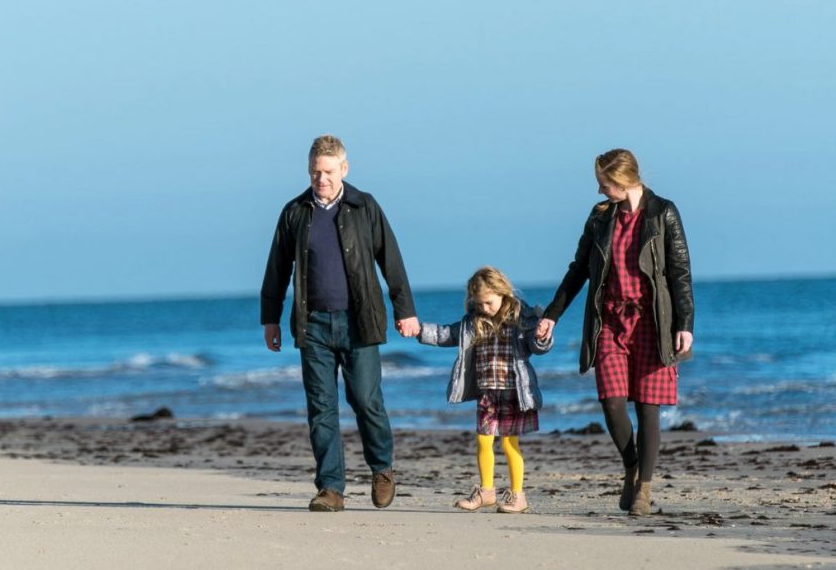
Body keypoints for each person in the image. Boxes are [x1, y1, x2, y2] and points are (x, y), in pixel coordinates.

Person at [260, 135, 420, 512]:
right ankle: (330, 488)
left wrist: (405, 310)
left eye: (329, 171)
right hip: (312, 324)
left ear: (344, 169)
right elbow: (277, 268)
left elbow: (391, 260)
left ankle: (382, 469)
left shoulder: (365, 206)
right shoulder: (295, 212)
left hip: (359, 321)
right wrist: (270, 319)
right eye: (316, 172)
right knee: (321, 408)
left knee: (366, 400)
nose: (322, 179)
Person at [537, 148, 694, 516]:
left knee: (648, 407)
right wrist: (552, 315)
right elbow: (579, 270)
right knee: (612, 402)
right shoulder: (600, 217)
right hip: (608, 321)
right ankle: (632, 466)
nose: (599, 191)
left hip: (653, 322)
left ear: (623, 180)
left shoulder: (663, 212)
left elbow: (680, 273)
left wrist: (685, 325)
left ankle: (644, 490)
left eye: (604, 184)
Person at [417, 266, 552, 513]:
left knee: (509, 444)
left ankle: (517, 495)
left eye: (489, 302)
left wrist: (542, 337)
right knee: (483, 441)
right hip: (487, 393)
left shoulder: (521, 317)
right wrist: (419, 330)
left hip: (514, 392)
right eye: (479, 304)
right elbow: (447, 334)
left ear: (503, 293)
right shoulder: (472, 322)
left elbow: (537, 346)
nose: (484, 308)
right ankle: (486, 492)